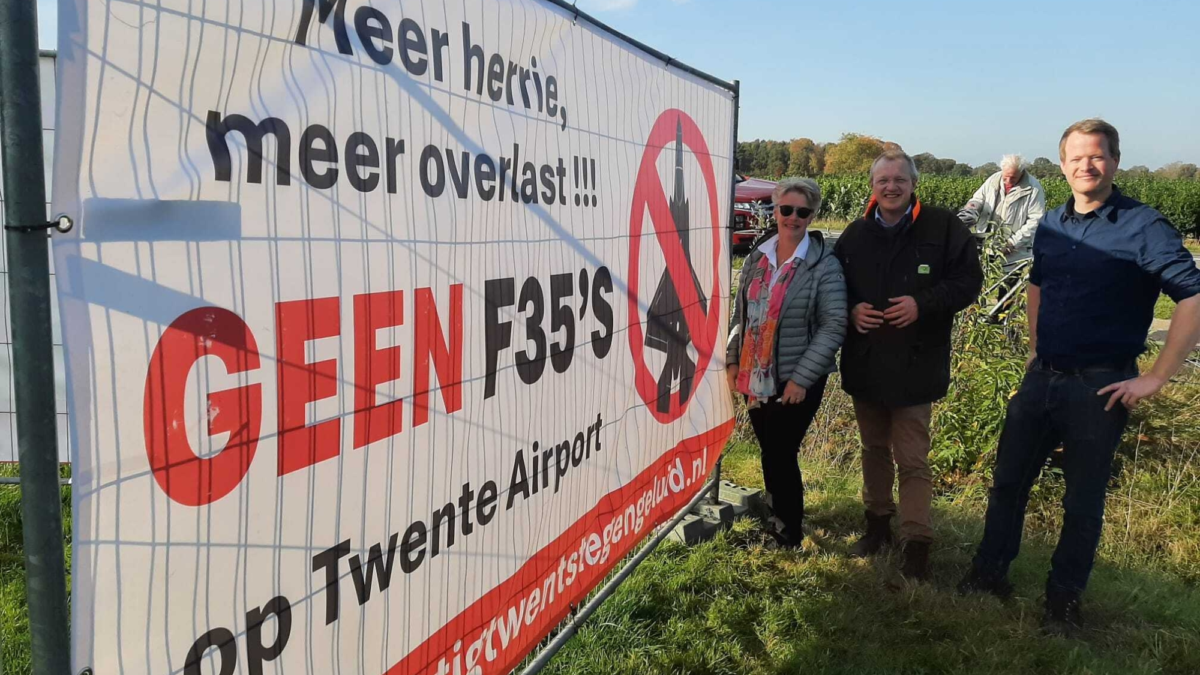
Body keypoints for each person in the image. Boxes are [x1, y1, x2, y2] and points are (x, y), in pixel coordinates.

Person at [958, 119, 1200, 634]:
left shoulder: (1144, 226)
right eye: (1076, 158)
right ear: (1062, 164)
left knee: (1082, 502)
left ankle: (1062, 602)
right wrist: (1034, 347)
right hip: (1041, 377)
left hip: (1100, 385)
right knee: (1007, 484)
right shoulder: (1053, 223)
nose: (1086, 166)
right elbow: (1037, 284)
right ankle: (988, 574)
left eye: (1097, 156)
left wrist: (1155, 377)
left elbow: (1193, 296)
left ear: (1114, 160)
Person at [834, 150, 983, 578]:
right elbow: (830, 288)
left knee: (913, 460)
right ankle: (876, 526)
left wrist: (922, 304)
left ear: (913, 183)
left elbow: (968, 281)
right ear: (871, 186)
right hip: (865, 364)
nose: (892, 187)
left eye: (900, 179)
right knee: (873, 451)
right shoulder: (855, 234)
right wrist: (850, 311)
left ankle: (916, 543)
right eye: (883, 180)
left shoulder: (943, 227)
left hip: (918, 365)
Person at [726, 178, 848, 547]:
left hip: (796, 377)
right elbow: (740, 313)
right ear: (775, 210)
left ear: (812, 216)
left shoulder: (823, 263)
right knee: (770, 450)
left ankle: (787, 530)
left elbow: (834, 324)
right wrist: (733, 359)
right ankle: (778, 512)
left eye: (803, 212)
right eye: (786, 209)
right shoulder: (757, 256)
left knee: (781, 451)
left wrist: (801, 379)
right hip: (754, 374)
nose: (793, 217)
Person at [958, 154, 1047, 267]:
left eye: (1013, 177)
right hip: (985, 243)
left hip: (1015, 252)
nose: (1008, 181)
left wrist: (1012, 244)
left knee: (1007, 281)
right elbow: (978, 199)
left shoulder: (1033, 188)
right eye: (1005, 177)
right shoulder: (993, 180)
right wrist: (971, 210)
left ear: (1021, 172)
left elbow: (1035, 221)